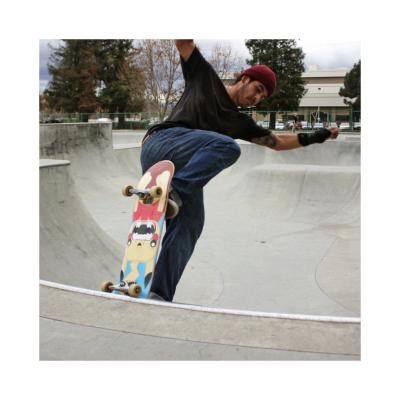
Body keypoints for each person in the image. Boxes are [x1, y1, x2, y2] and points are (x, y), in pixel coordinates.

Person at [141, 40, 339, 302]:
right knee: (227, 146)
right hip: (161, 144)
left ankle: (159, 294)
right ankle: (176, 191)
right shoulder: (204, 77)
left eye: (262, 97)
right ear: (244, 78)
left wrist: (318, 136)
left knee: (191, 224)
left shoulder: (240, 122)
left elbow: (276, 143)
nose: (256, 98)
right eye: (257, 89)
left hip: (182, 170)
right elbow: (183, 42)